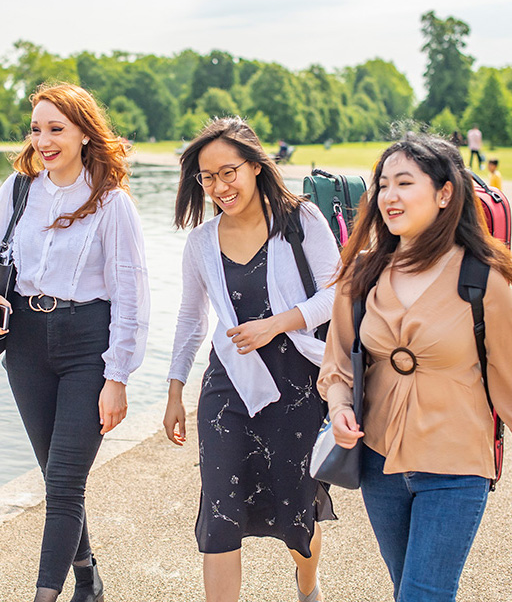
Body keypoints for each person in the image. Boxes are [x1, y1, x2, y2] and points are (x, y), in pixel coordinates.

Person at [318, 133, 512, 601]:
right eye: (383, 185)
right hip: (378, 462)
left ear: (445, 194)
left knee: (423, 595)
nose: (389, 196)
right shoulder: (361, 273)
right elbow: (339, 363)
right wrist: (340, 409)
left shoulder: (485, 278)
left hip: (457, 463)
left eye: (404, 183)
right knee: (405, 588)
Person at [164, 117, 339, 602]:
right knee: (219, 514)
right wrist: (175, 388)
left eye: (229, 172)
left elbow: (337, 291)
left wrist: (277, 323)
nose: (219, 186)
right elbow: (191, 317)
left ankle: (309, 591)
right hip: (230, 384)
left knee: (296, 508)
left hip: (298, 383)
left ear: (256, 166)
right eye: (207, 177)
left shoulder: (301, 219)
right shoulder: (201, 241)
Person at [0, 83, 150, 602]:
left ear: (85, 134)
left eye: (56, 128)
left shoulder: (112, 204)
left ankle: (44, 596)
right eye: (36, 128)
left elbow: (131, 298)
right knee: (54, 473)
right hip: (24, 343)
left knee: (65, 484)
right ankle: (87, 577)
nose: (43, 139)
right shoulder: (18, 190)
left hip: (89, 345)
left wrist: (118, 378)